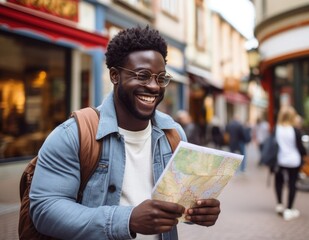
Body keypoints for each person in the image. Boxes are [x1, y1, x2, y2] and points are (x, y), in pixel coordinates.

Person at [29, 26, 221, 240]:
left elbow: (182, 204)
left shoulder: (173, 135)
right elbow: (44, 210)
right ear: (114, 76)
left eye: (160, 78)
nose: (154, 87)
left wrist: (200, 212)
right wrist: (127, 220)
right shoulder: (73, 135)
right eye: (143, 75)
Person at [274, 106, 306, 221]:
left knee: (278, 181)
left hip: (280, 159)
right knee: (292, 184)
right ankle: (289, 209)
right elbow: (301, 148)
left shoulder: (277, 129)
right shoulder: (295, 130)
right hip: (294, 160)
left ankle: (279, 205)